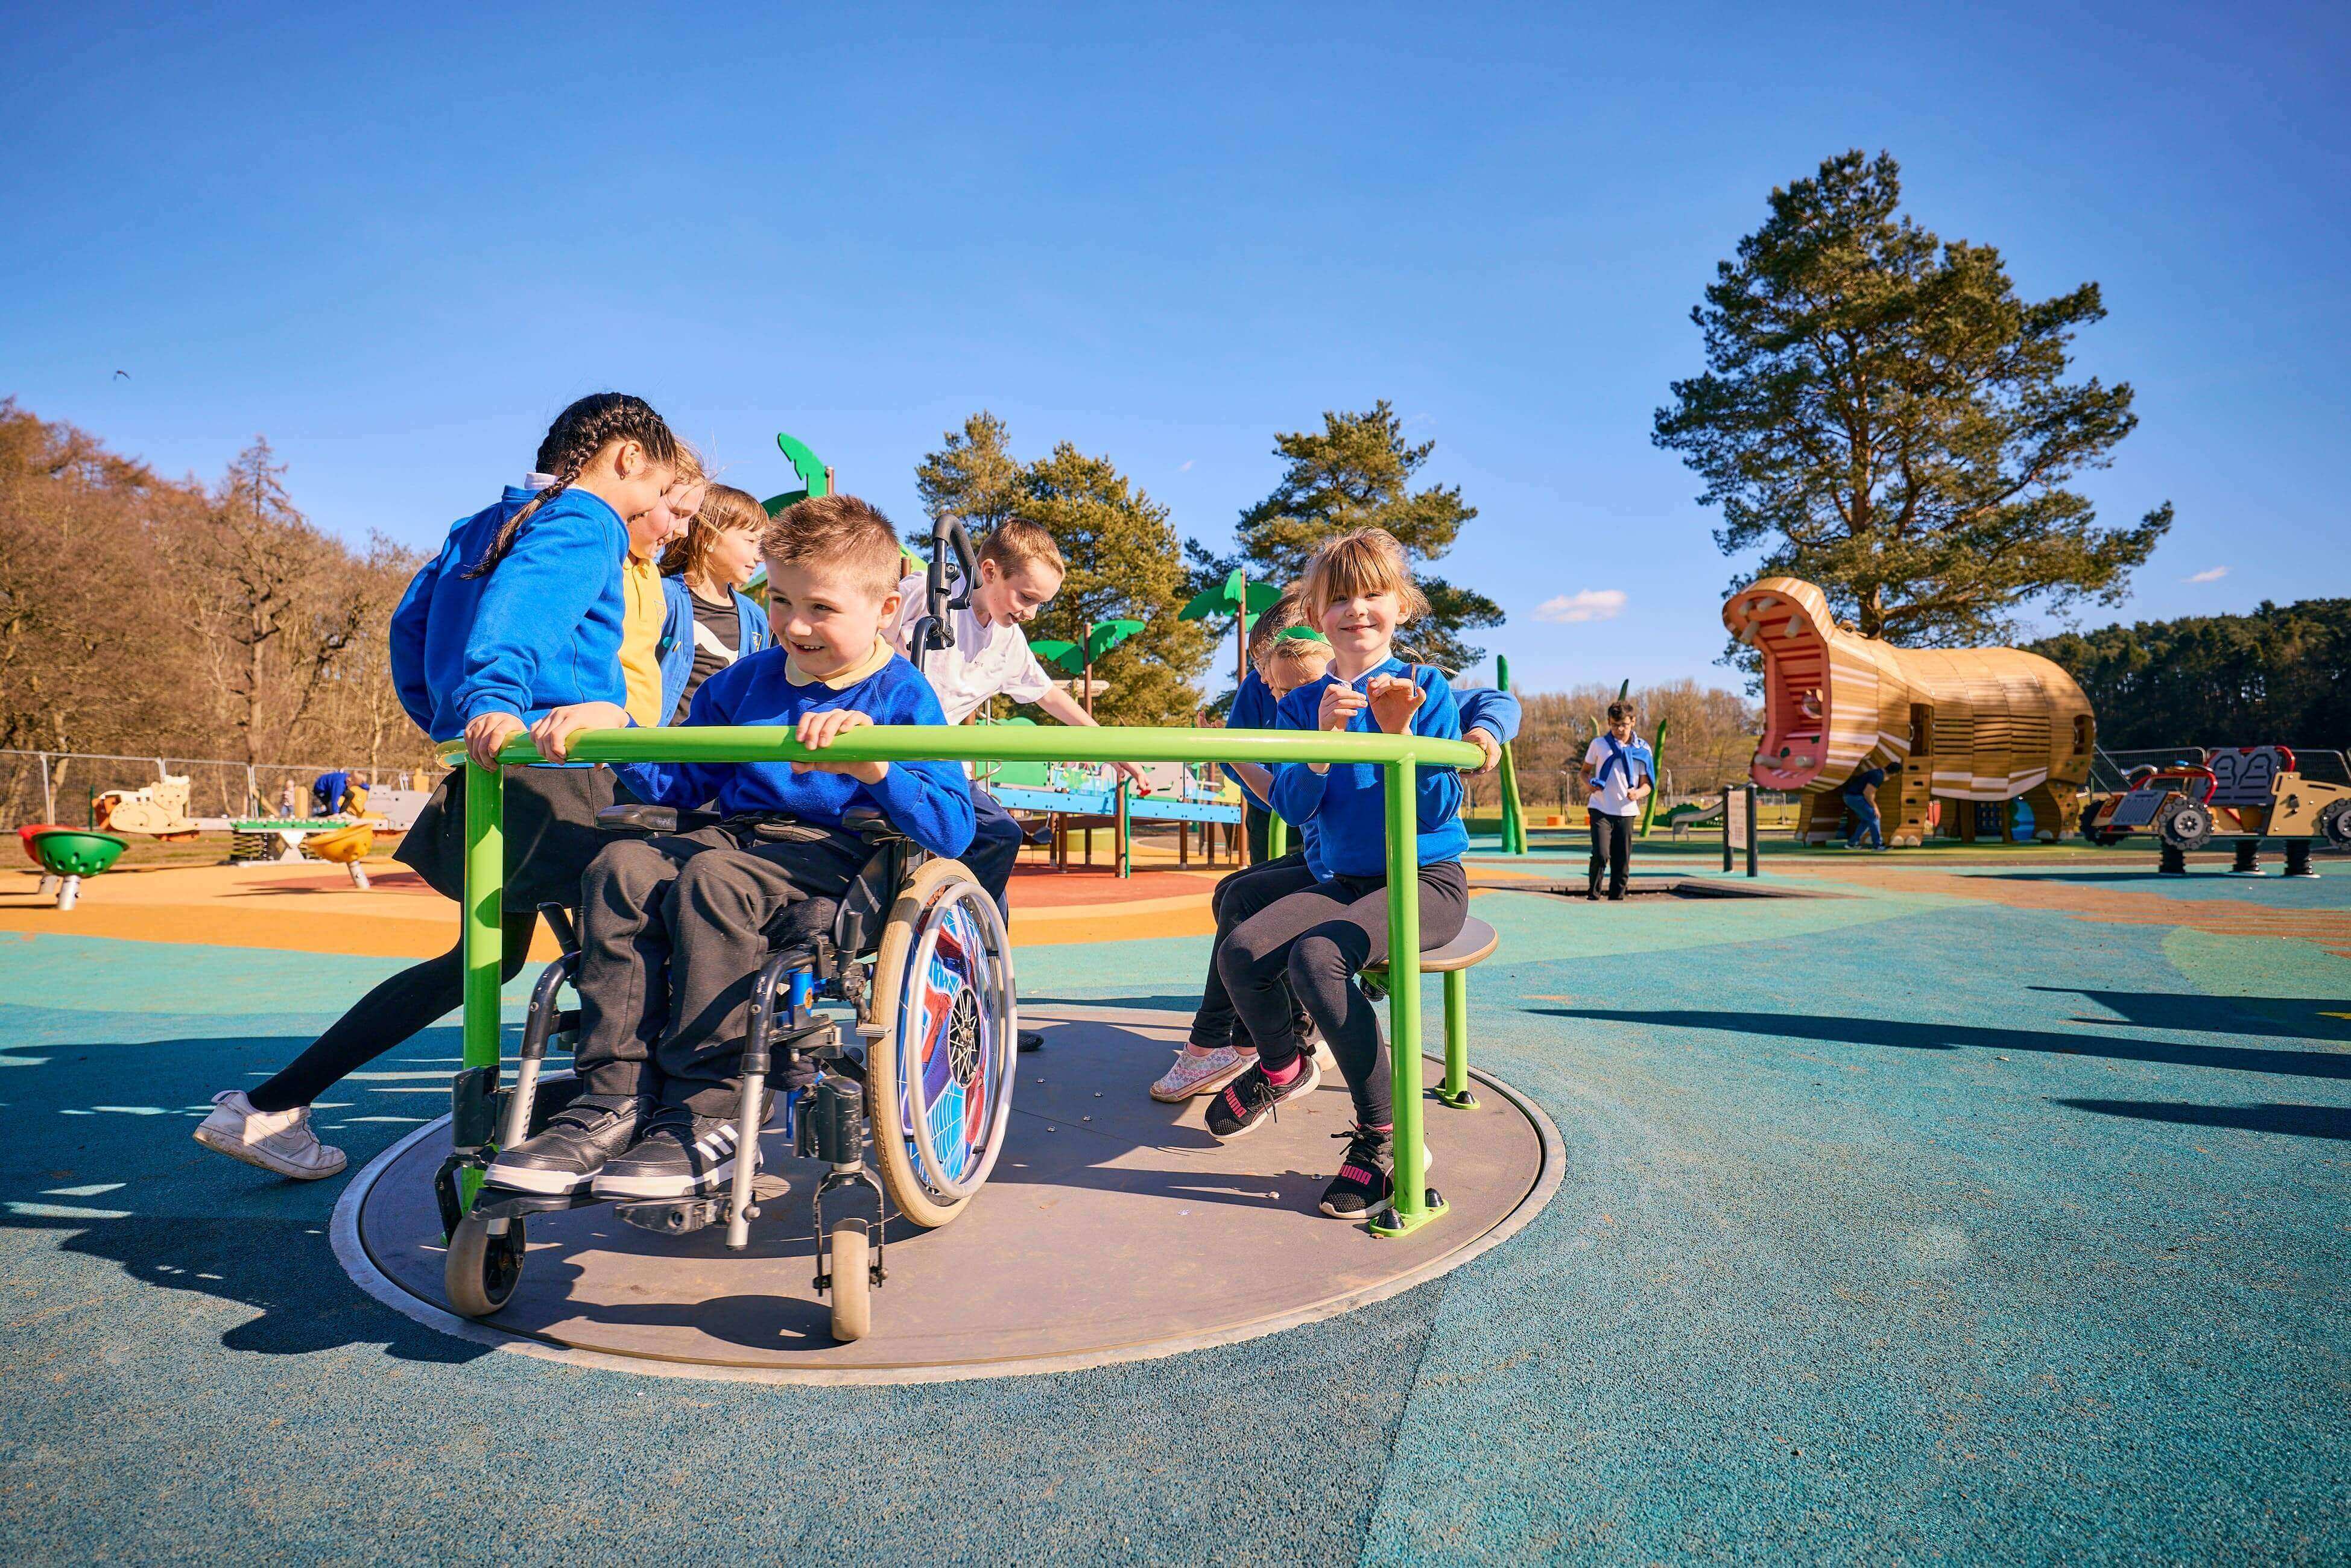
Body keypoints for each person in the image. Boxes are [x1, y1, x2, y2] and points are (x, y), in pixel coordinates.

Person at [193, 393, 688, 1181]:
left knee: (483, 964)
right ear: (628, 458)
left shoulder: (483, 522)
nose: (659, 512)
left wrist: (451, 721)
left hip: (490, 775)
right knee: (640, 946)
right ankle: (615, 1121)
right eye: (661, 492)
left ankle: (270, 1107)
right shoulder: (587, 517)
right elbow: (520, 612)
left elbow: (412, 625)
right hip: (560, 779)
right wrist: (495, 697)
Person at [486, 495, 975, 1200]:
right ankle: (611, 1098)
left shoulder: (904, 696)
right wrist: (617, 726)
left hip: (835, 858)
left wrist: (876, 768)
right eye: (778, 599)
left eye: (822, 609)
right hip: (734, 841)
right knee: (621, 864)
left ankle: (704, 1115)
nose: (794, 625)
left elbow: (953, 827)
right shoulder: (741, 683)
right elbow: (678, 782)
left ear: (886, 607)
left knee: (714, 879)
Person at [1204, 528, 1471, 1221]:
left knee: (1317, 957)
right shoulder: (1302, 703)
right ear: (1318, 615)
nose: (1358, 609)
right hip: (1347, 879)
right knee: (1241, 950)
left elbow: (1437, 808)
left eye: (1373, 593)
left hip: (1425, 879)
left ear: (1401, 606)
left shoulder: (1425, 688)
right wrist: (1320, 744)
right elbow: (1291, 805)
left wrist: (1398, 737)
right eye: (1340, 597)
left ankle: (1383, 1139)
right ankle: (1284, 1065)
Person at [890, 517, 1144, 1051]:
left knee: (996, 861)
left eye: (1039, 604)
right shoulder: (922, 598)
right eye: (1025, 596)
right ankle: (930, 949)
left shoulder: (1007, 640)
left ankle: (978, 1003)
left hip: (939, 766)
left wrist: (1113, 749)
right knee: (997, 834)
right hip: (888, 750)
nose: (1028, 612)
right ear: (987, 570)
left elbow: (1049, 696)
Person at [657, 482, 771, 723]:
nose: (760, 556)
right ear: (708, 538)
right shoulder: (662, 595)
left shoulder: (755, 617)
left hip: (721, 754)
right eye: (751, 541)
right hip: (663, 751)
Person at [1581, 701, 1652, 900]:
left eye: (1624, 725)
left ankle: (1617, 897)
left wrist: (1638, 794)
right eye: (1614, 725)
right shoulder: (1599, 745)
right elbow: (1584, 772)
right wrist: (1590, 784)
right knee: (1602, 854)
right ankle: (1593, 895)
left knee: (1622, 860)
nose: (1619, 729)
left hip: (1627, 810)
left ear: (1633, 722)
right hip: (1600, 807)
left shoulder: (1643, 749)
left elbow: (1647, 784)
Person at [1844, 761, 1887, 849]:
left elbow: (1871, 793)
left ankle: (1851, 843)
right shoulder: (1879, 776)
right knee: (1874, 816)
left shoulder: (1877, 773)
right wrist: (1875, 808)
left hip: (1850, 797)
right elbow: (1867, 793)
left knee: (1867, 820)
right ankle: (1878, 845)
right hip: (1855, 797)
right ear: (1894, 774)